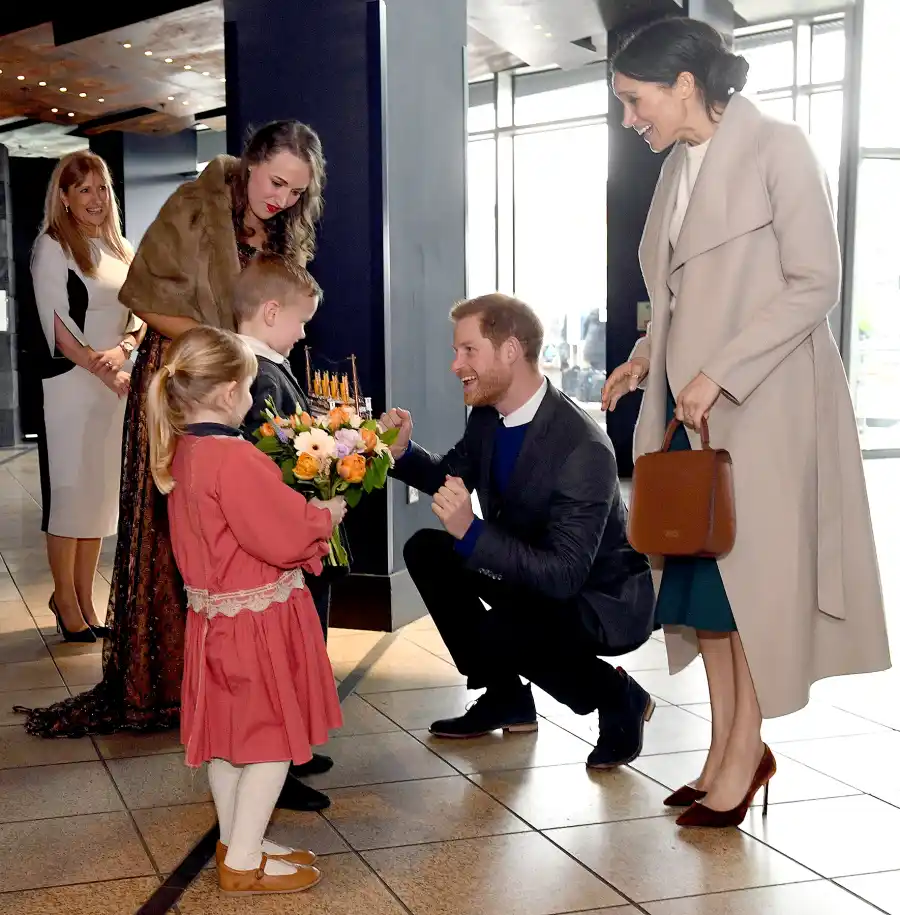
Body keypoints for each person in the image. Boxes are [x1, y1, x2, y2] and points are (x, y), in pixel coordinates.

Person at [603, 17, 891, 828]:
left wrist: (718, 369)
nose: (631, 118)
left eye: (635, 99)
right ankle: (729, 745)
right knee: (707, 593)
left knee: (750, 590)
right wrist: (643, 353)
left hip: (764, 408)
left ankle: (745, 749)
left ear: (684, 86)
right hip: (693, 416)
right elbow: (678, 292)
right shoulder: (678, 169)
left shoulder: (780, 147)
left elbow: (816, 281)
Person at [21, 121, 333, 807]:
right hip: (194, 386)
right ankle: (237, 731)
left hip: (252, 383)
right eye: (274, 181)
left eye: (296, 190)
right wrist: (222, 348)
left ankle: (278, 738)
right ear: (249, 164)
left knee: (265, 551)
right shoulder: (194, 204)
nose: (282, 197)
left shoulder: (280, 230)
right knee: (197, 558)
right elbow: (148, 298)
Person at [383, 293, 656, 768]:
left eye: (468, 351)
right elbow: (451, 474)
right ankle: (505, 695)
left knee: (504, 629)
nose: (455, 365)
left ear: (510, 350)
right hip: (527, 575)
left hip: (595, 598)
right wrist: (405, 453)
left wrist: (471, 532)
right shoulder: (488, 418)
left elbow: (565, 575)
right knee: (428, 551)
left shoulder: (583, 448)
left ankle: (617, 695)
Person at [146, 326, 344, 896]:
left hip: (213, 622)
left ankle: (238, 841)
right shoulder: (235, 458)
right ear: (230, 391)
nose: (254, 400)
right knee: (271, 743)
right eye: (251, 390)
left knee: (231, 743)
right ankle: (243, 862)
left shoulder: (184, 453)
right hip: (257, 624)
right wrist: (325, 515)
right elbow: (281, 534)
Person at [30, 151, 144, 643]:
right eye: (84, 190)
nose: (96, 199)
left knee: (99, 499)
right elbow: (57, 328)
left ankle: (85, 600)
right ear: (65, 197)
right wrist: (103, 368)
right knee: (71, 496)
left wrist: (123, 352)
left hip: (115, 379)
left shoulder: (121, 247)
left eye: (101, 189)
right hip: (71, 386)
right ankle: (65, 601)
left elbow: (142, 311)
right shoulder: (52, 246)